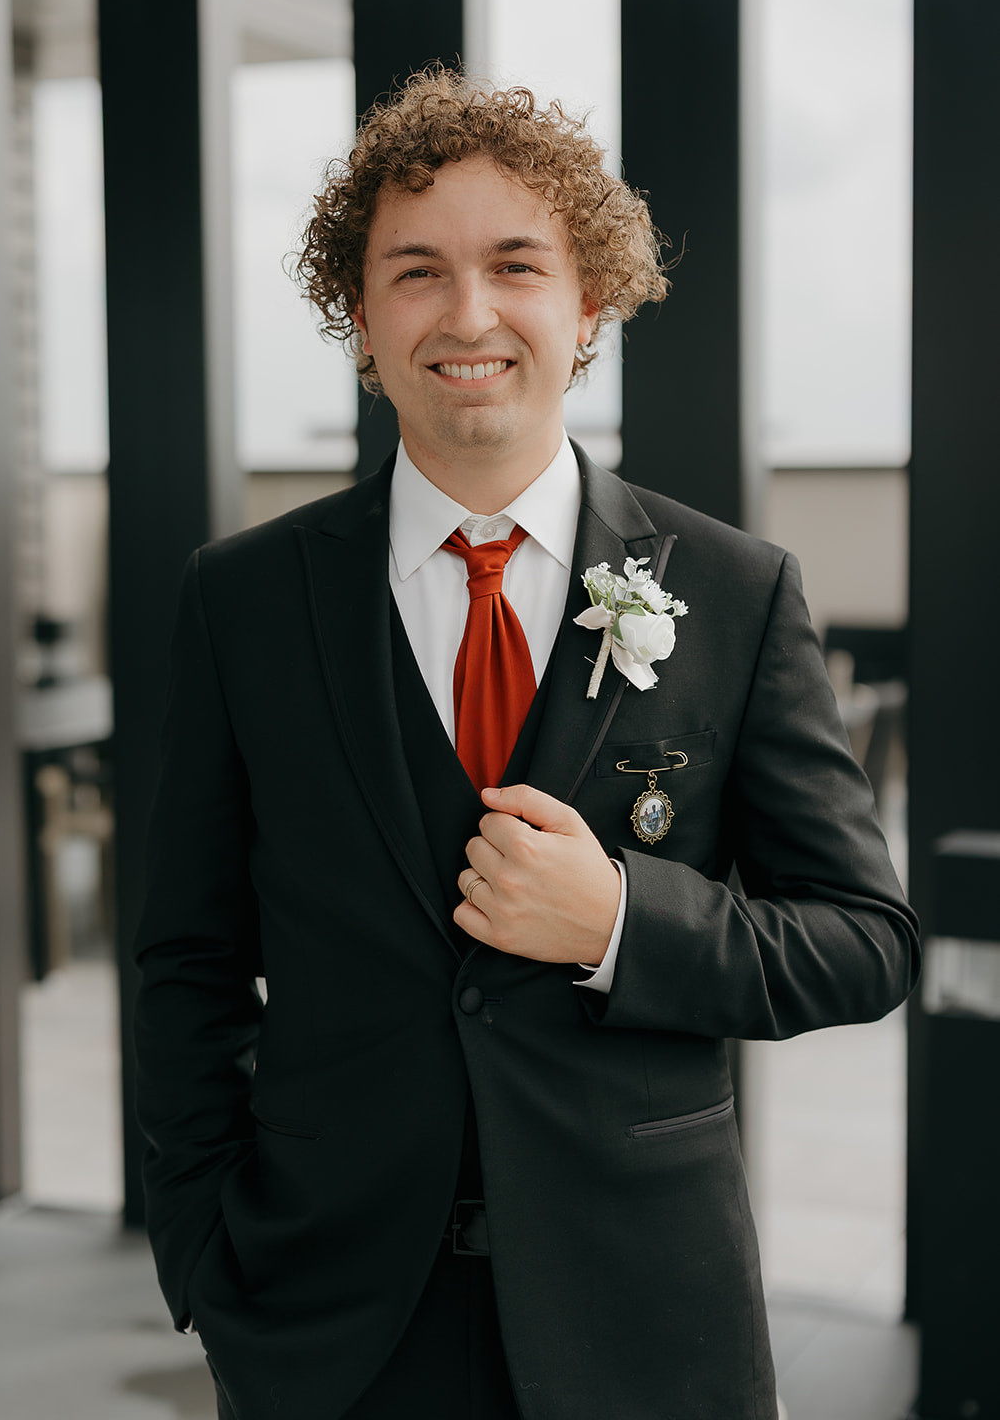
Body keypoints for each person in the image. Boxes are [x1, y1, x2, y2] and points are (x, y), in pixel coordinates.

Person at [134, 70, 919, 1420]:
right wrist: (207, 1257)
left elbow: (866, 939)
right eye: (417, 272)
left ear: (589, 305)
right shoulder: (241, 600)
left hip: (646, 1320)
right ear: (362, 320)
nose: (470, 314)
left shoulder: (738, 592)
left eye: (516, 266)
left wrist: (622, 920)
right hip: (328, 1331)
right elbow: (187, 961)